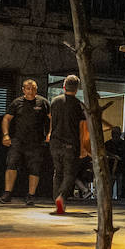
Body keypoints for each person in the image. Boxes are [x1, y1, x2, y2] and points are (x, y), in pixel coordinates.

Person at [1, 79, 49, 206]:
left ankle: (31, 195)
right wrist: (6, 135)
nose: (30, 91)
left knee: (35, 168)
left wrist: (50, 133)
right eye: (28, 88)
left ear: (36, 89)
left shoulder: (43, 102)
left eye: (33, 88)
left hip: (37, 142)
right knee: (11, 163)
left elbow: (52, 118)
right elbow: (6, 118)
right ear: (23, 90)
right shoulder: (17, 103)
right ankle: (7, 193)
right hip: (18, 140)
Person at [47, 74, 86, 215]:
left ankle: (57, 203)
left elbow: (52, 120)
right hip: (71, 143)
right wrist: (83, 147)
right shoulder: (78, 104)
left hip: (55, 142)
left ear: (64, 86)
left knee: (57, 172)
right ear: (77, 89)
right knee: (70, 173)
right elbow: (82, 128)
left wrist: (50, 133)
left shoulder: (55, 101)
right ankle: (62, 197)